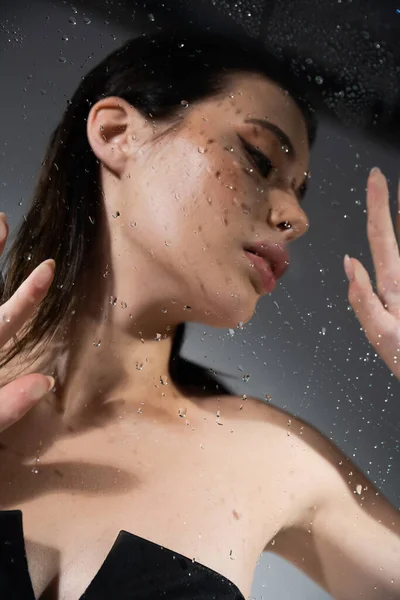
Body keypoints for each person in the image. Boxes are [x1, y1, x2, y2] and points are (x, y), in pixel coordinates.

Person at [0, 26, 398, 600]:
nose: (295, 218)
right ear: (116, 133)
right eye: (260, 159)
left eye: (300, 192)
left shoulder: (275, 458)